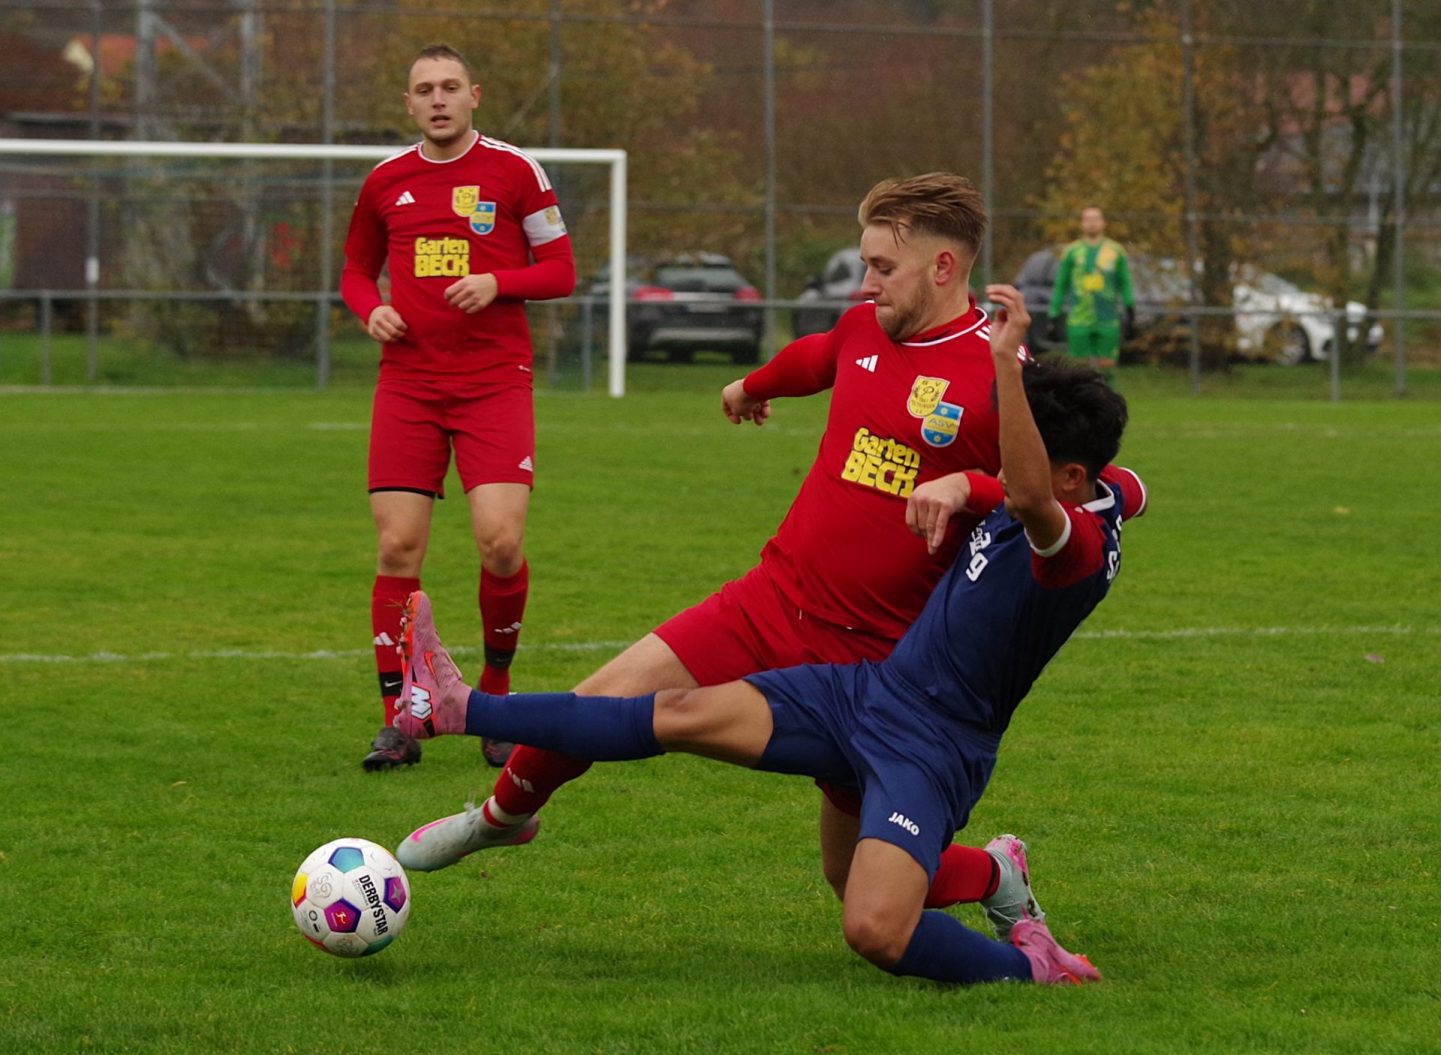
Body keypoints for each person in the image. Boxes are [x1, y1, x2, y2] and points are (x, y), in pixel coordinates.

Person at [399, 172, 1096, 927]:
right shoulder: (865, 327)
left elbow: (1054, 496)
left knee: (852, 881)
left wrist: (969, 484)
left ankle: (994, 871)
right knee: (604, 697)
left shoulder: (1003, 376)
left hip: (873, 662)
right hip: (770, 599)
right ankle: (499, 819)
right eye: (865, 263)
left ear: (943, 267)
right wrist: (750, 386)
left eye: (882, 267)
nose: (866, 284)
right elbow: (818, 357)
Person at [340, 43, 576, 771]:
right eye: (424, 89)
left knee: (500, 542)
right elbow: (355, 270)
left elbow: (561, 271)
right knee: (396, 548)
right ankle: (397, 720)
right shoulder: (386, 181)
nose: (437, 99)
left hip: (493, 382)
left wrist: (499, 283)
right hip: (408, 384)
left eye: (450, 87)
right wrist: (371, 309)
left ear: (474, 96)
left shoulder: (515, 171)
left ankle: (493, 703)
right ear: (408, 103)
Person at [1048, 205, 1134, 377]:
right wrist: (1054, 312)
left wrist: (1129, 305)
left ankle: (1107, 393)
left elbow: (1125, 281)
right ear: (1081, 224)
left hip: (1108, 318)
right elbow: (1061, 284)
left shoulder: (1115, 251)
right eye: (1087, 219)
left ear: (1104, 223)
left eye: (1095, 219)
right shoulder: (1072, 252)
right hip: (1079, 318)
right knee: (1078, 370)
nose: (1092, 223)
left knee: (1107, 368)